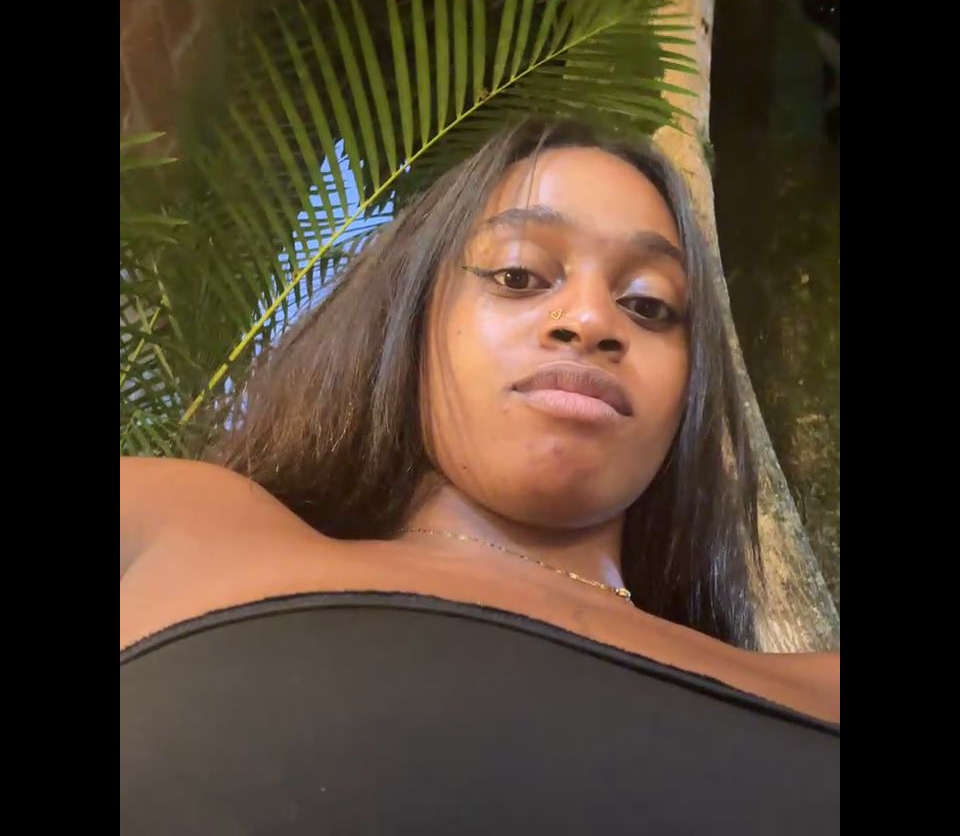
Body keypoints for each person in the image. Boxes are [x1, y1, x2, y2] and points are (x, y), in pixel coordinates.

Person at [121, 119, 839, 834]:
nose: (591, 320)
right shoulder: (176, 519)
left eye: (648, 305)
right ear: (410, 316)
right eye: (518, 276)